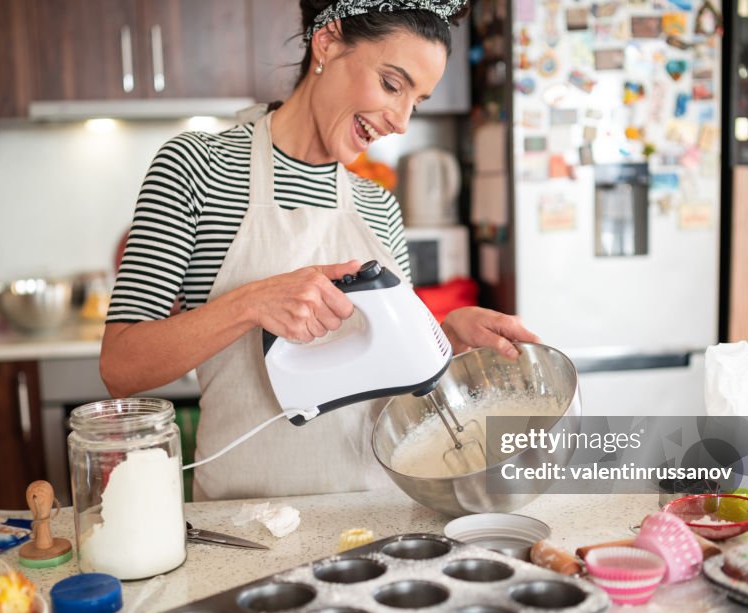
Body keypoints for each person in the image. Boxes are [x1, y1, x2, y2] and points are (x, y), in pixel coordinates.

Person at [101, 0, 540, 501]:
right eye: (392, 85)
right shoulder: (198, 167)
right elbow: (121, 367)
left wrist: (443, 341)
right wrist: (251, 303)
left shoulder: (379, 206)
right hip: (245, 523)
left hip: (377, 513)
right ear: (327, 42)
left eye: (415, 102)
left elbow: (391, 375)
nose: (400, 121)